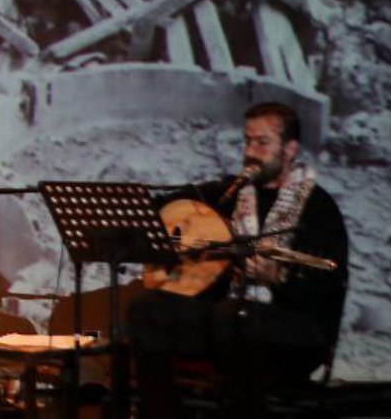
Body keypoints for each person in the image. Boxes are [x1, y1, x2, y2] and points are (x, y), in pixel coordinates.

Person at [129, 101, 350, 418]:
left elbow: (328, 282)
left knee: (233, 316)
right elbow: (165, 207)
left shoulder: (318, 208)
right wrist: (172, 238)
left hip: (297, 330)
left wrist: (279, 277)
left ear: (290, 149)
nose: (251, 151)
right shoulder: (232, 193)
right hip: (228, 318)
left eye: (262, 143)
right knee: (148, 309)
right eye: (247, 141)